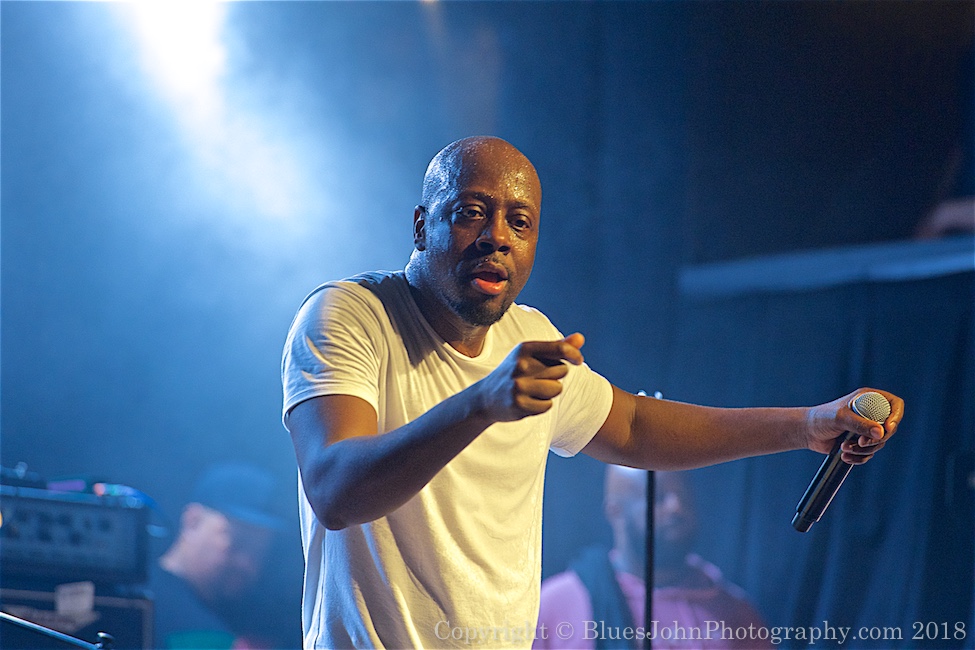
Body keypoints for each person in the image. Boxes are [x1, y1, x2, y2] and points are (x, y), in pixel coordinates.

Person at [281, 135, 904, 649]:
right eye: (471, 211)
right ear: (422, 224)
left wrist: (807, 424)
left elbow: (633, 428)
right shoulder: (350, 315)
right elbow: (337, 491)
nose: (497, 235)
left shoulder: (528, 334)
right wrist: (480, 403)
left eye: (519, 222)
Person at [535, 467, 770, 649]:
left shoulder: (736, 612)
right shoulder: (556, 605)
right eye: (658, 497)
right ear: (615, 511)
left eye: (683, 495)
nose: (676, 507)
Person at [150, 462, 283, 650]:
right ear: (193, 520)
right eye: (238, 542)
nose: (246, 563)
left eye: (258, 551)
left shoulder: (252, 621)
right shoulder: (131, 601)